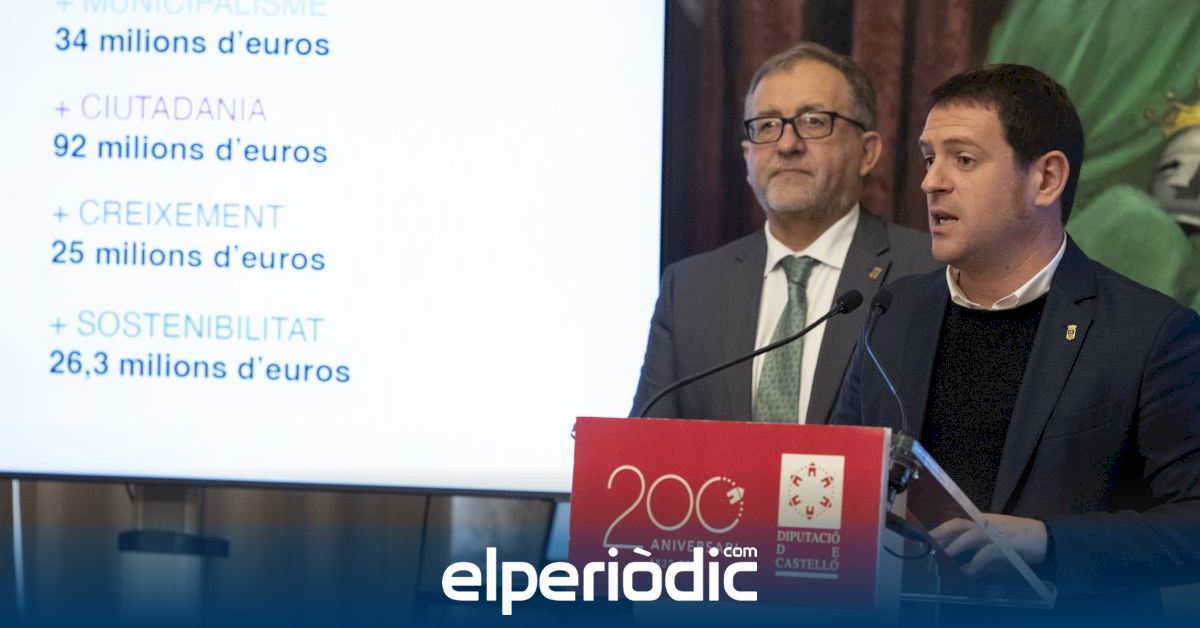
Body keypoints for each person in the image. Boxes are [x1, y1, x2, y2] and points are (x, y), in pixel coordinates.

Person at [832, 64, 1200, 618]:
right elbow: (839, 477)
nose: (932, 182)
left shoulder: (1150, 333)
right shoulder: (893, 312)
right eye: (930, 158)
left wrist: (1048, 542)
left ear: (1046, 178)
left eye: (963, 159)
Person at [631, 42, 938, 423]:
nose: (787, 144)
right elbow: (645, 443)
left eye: (813, 121)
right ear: (747, 156)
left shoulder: (929, 272)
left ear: (867, 152)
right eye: (767, 125)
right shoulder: (690, 289)